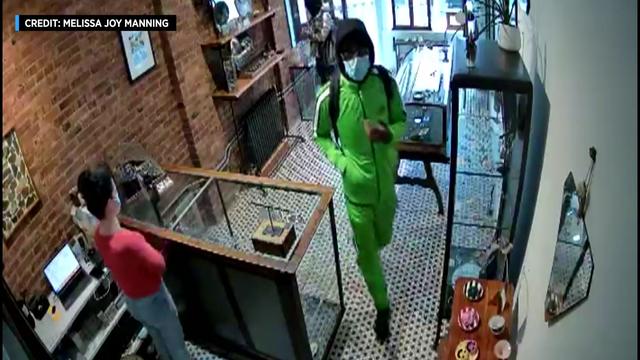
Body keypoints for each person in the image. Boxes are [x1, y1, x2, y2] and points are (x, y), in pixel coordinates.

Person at [313, 19, 406, 342]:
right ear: (339, 57)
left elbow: (401, 120)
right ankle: (382, 307)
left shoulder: (385, 83)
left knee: (384, 238)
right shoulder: (331, 95)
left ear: (371, 50)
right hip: (356, 194)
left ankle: (367, 245)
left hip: (386, 192)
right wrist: (342, 163)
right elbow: (321, 136)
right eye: (349, 52)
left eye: (362, 50)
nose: (357, 58)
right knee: (368, 255)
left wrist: (388, 134)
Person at [77, 164, 190, 360]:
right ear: (109, 203)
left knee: (160, 342)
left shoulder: (98, 236)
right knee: (177, 345)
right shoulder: (130, 241)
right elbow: (159, 265)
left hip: (134, 303)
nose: (117, 194)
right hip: (155, 300)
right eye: (114, 191)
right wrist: (163, 246)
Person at [301, 0, 335, 83]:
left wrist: (309, 34)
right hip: (319, 57)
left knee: (328, 82)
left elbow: (322, 36)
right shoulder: (314, 18)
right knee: (322, 78)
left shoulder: (325, 16)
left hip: (327, 58)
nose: (307, 11)